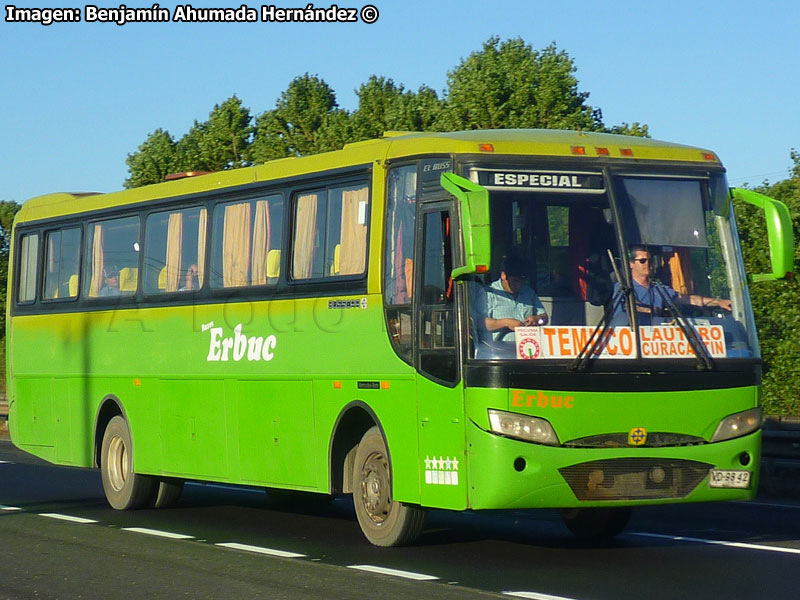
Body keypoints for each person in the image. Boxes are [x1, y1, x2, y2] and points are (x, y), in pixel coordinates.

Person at [613, 245, 731, 323]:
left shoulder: (658, 289)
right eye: (642, 260)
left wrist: (718, 302)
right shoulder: (623, 289)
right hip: (636, 347)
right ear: (631, 264)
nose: (648, 264)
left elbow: (688, 299)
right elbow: (619, 321)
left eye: (650, 260)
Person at [480, 255, 549, 343]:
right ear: (503, 275)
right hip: (499, 349)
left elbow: (544, 318)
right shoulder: (489, 293)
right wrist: (506, 323)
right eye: (515, 281)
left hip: (528, 347)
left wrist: (537, 319)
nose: (519, 285)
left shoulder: (528, 292)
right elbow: (480, 323)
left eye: (521, 281)